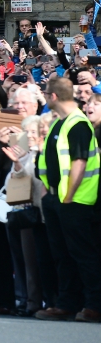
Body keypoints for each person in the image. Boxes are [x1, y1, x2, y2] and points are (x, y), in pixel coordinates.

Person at [35, 76, 101, 322]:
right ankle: (66, 303)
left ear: (53, 97)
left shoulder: (78, 124)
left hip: (75, 201)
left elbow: (80, 163)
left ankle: (94, 304)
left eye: (46, 93)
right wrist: (47, 192)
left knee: (82, 254)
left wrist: (69, 197)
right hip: (56, 199)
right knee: (62, 254)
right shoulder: (58, 124)